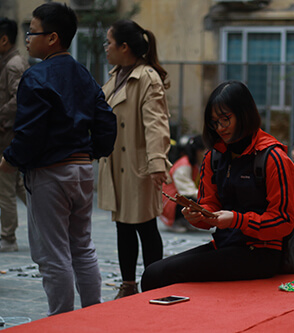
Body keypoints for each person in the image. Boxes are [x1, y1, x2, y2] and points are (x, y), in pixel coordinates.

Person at [0, 3, 117, 316]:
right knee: (82, 247)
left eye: (32, 31)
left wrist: (9, 160)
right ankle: (94, 314)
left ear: (52, 38)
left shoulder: (36, 76)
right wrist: (91, 152)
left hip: (50, 174)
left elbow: (29, 133)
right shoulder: (83, 74)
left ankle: (61, 321)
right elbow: (106, 122)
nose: (27, 37)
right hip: (82, 169)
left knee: (53, 255)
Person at [141, 80, 294, 291]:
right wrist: (199, 216)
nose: (220, 127)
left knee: (160, 275)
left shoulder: (273, 158)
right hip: (224, 245)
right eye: (214, 122)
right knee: (152, 273)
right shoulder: (214, 157)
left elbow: (284, 221)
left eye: (225, 119)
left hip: (262, 253)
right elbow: (210, 207)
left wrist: (237, 220)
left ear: (244, 114)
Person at [98, 19, 171, 299]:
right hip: (118, 163)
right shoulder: (117, 74)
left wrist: (156, 165)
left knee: (145, 225)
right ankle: (128, 285)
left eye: (109, 42)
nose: (106, 47)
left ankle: (155, 283)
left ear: (124, 47)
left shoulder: (146, 77)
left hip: (139, 164)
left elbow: (157, 126)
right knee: (123, 224)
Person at [0, 17, 28, 252]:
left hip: (8, 134)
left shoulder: (13, 65)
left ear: (4, 40)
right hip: (9, 132)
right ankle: (53, 223)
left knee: (5, 187)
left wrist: (1, 116)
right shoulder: (9, 62)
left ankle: (8, 237)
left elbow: (19, 99)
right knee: (19, 184)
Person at [160, 134, 206, 233]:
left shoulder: (194, 164)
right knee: (198, 201)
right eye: (205, 150)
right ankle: (176, 221)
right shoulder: (184, 165)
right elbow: (187, 191)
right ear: (198, 151)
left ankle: (183, 221)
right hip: (169, 202)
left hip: (175, 198)